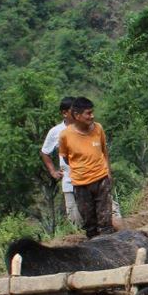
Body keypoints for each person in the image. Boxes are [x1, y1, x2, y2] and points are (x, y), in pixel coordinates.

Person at [59, 96, 116, 238]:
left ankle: (111, 251)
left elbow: (104, 151)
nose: (92, 116)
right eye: (88, 113)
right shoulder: (65, 135)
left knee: (106, 222)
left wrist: (108, 172)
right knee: (90, 224)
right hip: (81, 184)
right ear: (77, 115)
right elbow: (66, 158)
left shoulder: (98, 129)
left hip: (101, 180)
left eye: (92, 112)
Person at [41, 96, 81, 228]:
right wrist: (53, 171)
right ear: (65, 113)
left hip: (90, 178)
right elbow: (45, 152)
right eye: (73, 110)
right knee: (75, 220)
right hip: (69, 182)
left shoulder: (85, 126)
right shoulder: (55, 132)